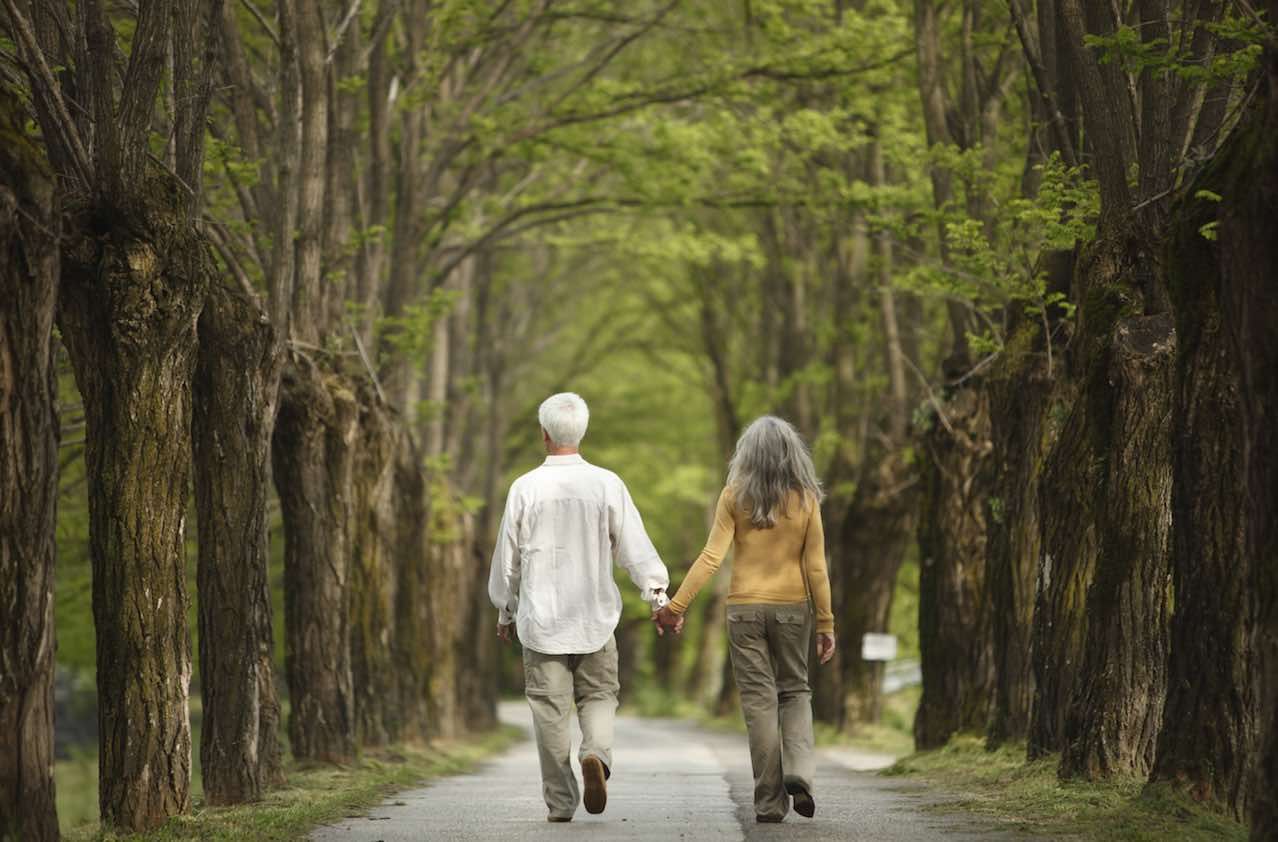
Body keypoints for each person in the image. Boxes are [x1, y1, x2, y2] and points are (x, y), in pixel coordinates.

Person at [488, 392, 670, 823]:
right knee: (601, 695)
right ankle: (595, 753)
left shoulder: (525, 488)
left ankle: (560, 802)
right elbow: (635, 550)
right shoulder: (607, 484)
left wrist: (505, 609)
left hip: (541, 621)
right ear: (582, 431)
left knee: (550, 711)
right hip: (595, 619)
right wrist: (657, 595)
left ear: (544, 434)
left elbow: (507, 560)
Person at [654, 415, 836, 823]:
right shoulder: (806, 499)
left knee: (759, 702)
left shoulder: (734, 496)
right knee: (795, 691)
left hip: (744, 611)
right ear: (793, 455)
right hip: (792, 609)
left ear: (747, 454)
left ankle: (769, 803)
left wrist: (675, 607)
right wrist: (825, 624)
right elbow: (817, 567)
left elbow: (711, 558)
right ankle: (801, 773)